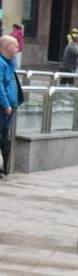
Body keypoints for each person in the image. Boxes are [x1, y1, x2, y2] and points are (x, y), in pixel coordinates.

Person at [0, 36, 19, 177]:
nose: (18, 49)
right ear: (6, 47)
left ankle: (4, 168)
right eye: (15, 46)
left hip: (9, 107)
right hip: (3, 107)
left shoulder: (10, 62)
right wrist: (6, 104)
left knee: (4, 136)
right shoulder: (1, 63)